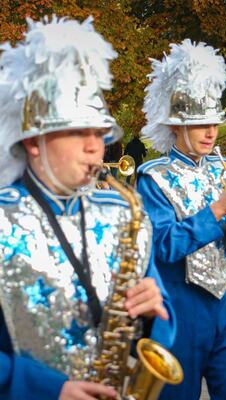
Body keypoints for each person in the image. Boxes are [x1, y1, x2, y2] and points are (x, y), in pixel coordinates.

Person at [0, 17, 176, 400]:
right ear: (34, 140)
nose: (95, 146)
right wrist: (47, 389)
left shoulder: (124, 212)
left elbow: (162, 316)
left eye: (99, 133)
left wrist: (152, 314)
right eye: (79, 131)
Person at [137, 39, 226, 400]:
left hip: (224, 304)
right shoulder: (153, 176)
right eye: (199, 123)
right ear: (176, 126)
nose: (210, 132)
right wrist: (218, 209)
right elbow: (160, 247)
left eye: (213, 123)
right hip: (177, 306)